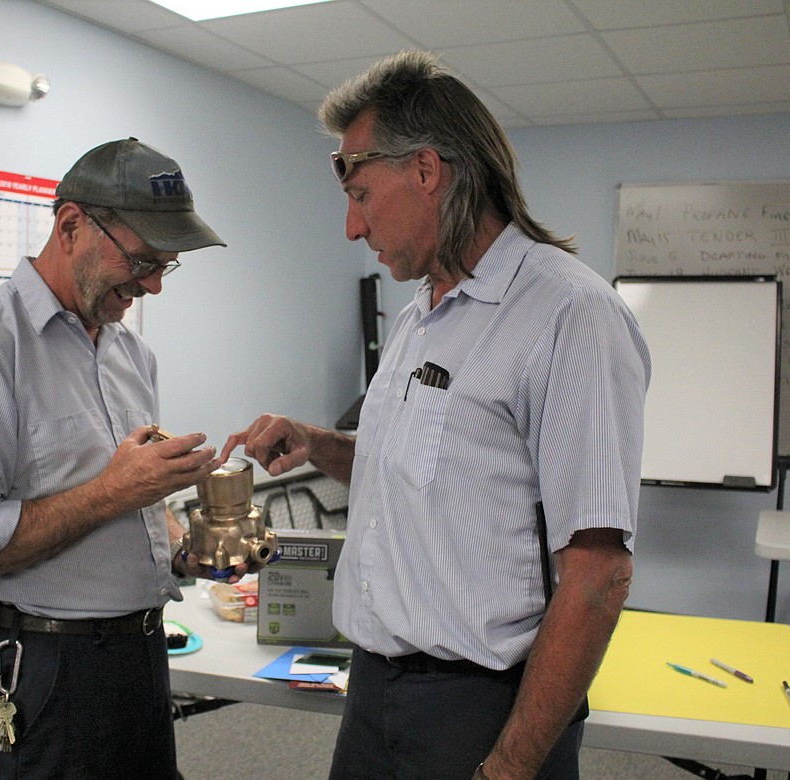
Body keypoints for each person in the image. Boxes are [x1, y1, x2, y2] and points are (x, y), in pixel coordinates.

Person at [221, 51, 651, 780]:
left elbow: (598, 574)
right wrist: (321, 444)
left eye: (361, 195)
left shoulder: (570, 314)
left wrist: (508, 768)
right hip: (375, 693)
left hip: (481, 711)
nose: (352, 228)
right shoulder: (423, 311)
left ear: (425, 171)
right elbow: (427, 472)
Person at [0, 138, 247, 779]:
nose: (152, 287)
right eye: (142, 261)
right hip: (46, 666)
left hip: (141, 654)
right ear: (70, 226)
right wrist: (114, 491)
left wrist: (181, 543)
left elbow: (130, 495)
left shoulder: (130, 355)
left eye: (165, 267)